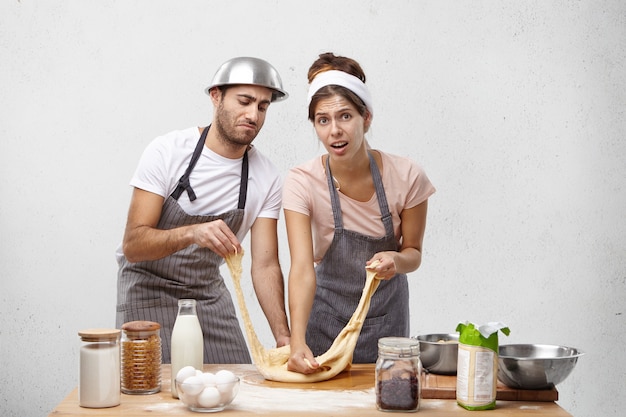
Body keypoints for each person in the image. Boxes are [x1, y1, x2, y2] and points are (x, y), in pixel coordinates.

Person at [115, 57, 291, 364]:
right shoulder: (168, 151)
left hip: (207, 294)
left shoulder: (267, 177)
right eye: (245, 101)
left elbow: (264, 266)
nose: (253, 115)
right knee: (161, 392)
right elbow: (133, 245)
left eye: (262, 107)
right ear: (216, 96)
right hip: (148, 288)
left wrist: (284, 336)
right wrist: (192, 233)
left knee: (237, 382)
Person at [283, 52, 436, 374]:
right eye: (323, 120)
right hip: (324, 320)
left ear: (366, 118)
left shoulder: (407, 175)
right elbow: (301, 268)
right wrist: (297, 341)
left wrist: (396, 260)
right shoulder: (302, 181)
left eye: (345, 117)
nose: (335, 130)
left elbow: (414, 253)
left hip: (387, 321)